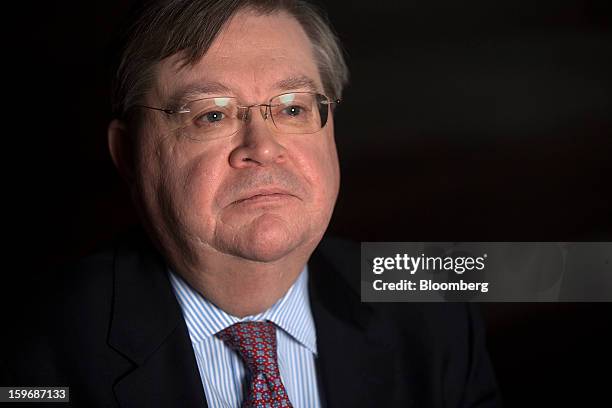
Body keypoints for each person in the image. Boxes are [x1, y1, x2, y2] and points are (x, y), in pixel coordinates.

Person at [1, 1, 501, 407]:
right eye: (211, 116)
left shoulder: (430, 303)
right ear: (128, 155)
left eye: (292, 108)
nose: (262, 147)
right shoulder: (33, 354)